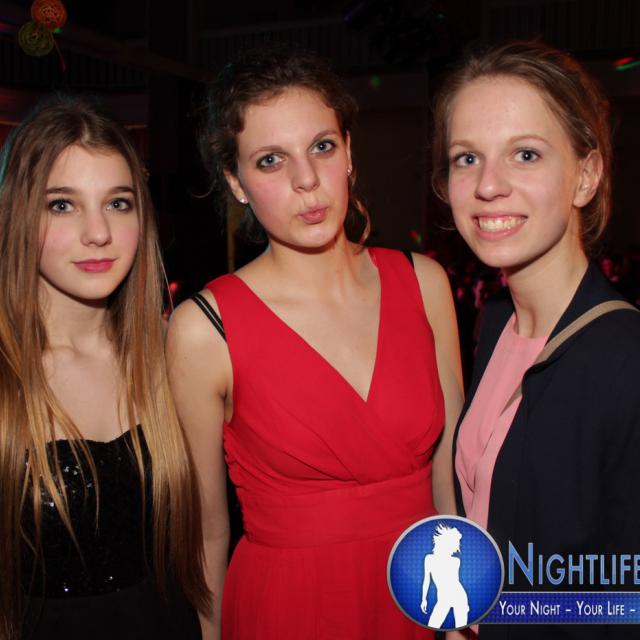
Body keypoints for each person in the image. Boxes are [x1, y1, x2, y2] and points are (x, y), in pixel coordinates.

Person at [167, 48, 463, 639]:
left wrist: (458, 622)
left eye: (322, 147)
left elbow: (450, 481)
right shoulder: (204, 329)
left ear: (348, 152)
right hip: (290, 607)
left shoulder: (424, 283)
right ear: (236, 182)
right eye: (271, 160)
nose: (306, 180)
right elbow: (207, 531)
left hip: (420, 597)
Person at [432, 41, 640, 639]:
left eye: (525, 154)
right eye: (467, 158)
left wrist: (493, 611)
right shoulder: (496, 323)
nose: (488, 185)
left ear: (586, 176)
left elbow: (623, 604)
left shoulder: (624, 362)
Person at [0, 97, 208, 640]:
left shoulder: (171, 357)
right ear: (17, 213)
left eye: (118, 203)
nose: (98, 232)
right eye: (62, 205)